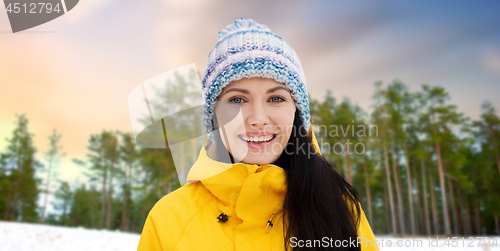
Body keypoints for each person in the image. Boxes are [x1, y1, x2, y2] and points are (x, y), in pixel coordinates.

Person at [137, 18, 379, 251]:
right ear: (214, 115)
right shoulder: (168, 219)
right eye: (237, 99)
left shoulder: (340, 208)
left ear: (296, 110)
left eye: (276, 98)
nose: (258, 119)